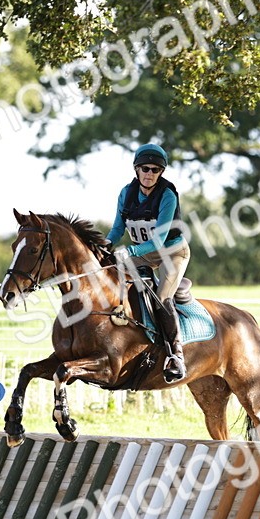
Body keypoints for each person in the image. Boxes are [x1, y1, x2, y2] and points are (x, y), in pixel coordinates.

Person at [104, 143, 191, 383]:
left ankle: (176, 356)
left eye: (155, 169)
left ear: (161, 172)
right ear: (136, 169)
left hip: (173, 252)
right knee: (110, 275)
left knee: (162, 299)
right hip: (143, 252)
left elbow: (159, 240)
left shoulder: (167, 195)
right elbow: (118, 228)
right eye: (145, 168)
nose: (150, 173)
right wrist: (106, 243)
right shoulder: (126, 193)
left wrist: (129, 250)